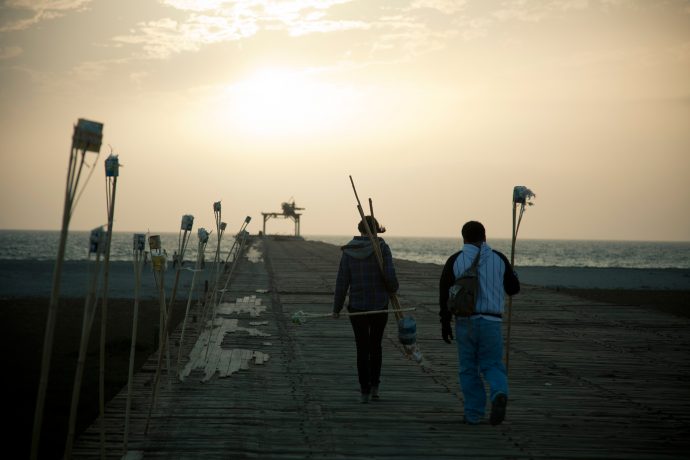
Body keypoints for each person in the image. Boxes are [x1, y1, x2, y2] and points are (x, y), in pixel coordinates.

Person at [439, 220, 520, 425]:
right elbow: (513, 289)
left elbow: (444, 293)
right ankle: (499, 392)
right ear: (485, 237)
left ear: (463, 238)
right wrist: (513, 273)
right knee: (492, 364)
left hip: (465, 321)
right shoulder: (499, 258)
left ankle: (474, 413)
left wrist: (445, 322)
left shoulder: (455, 260)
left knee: (468, 368)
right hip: (492, 321)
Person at [333, 215, 399, 403]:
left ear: (360, 228)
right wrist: (393, 289)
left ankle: (364, 391)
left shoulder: (349, 250)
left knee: (362, 348)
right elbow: (390, 278)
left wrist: (336, 308)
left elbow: (342, 282)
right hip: (379, 305)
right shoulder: (382, 248)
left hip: (357, 306)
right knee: (375, 346)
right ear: (376, 229)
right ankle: (375, 386)